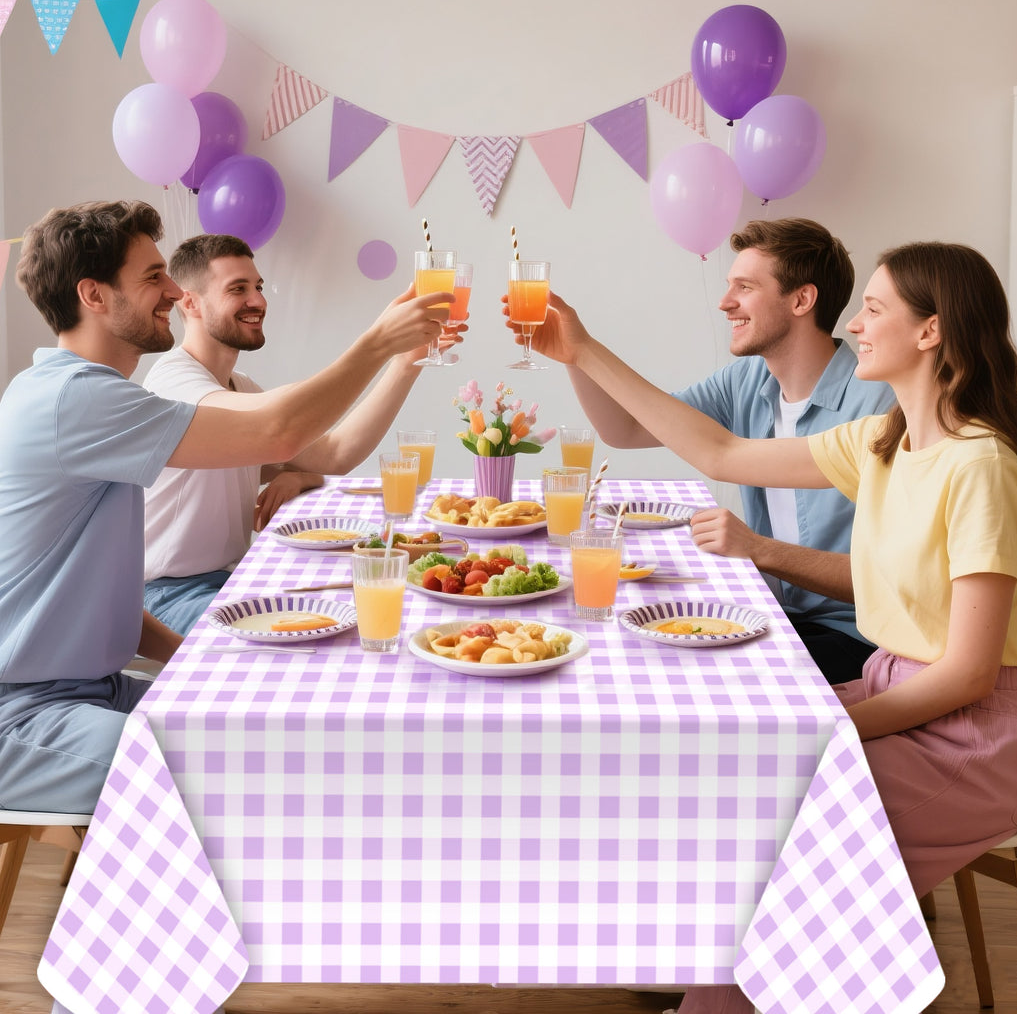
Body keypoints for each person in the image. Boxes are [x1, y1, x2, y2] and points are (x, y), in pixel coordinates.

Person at [518, 240, 1017, 1013]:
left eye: (874, 309)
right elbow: (719, 451)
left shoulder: (981, 465)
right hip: (897, 692)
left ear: (930, 331)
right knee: (731, 789)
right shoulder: (883, 444)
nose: (856, 324)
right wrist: (581, 350)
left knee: (768, 843)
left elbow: (969, 675)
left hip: (974, 734)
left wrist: (833, 724)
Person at [0, 200, 449, 814]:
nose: (172, 290)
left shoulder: (90, 396)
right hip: (23, 710)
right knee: (249, 774)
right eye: (152, 276)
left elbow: (97, 596)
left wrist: (202, 655)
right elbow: (279, 433)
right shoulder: (75, 400)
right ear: (94, 295)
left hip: (94, 688)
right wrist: (377, 343)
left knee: (283, 730)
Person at [553, 219, 895, 684]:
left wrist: (759, 549)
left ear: (801, 300)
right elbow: (626, 428)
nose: (724, 301)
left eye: (745, 287)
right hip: (771, 612)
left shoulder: (878, 407)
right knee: (629, 645)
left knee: (687, 677)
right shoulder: (747, 381)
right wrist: (574, 356)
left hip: (853, 634)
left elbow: (891, 581)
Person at [143, 233, 461, 635]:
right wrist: (376, 344)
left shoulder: (241, 387)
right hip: (169, 592)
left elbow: (336, 454)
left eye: (258, 286)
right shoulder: (174, 382)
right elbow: (281, 426)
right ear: (189, 303)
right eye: (237, 289)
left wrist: (405, 363)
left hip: (231, 576)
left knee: (371, 611)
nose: (258, 300)